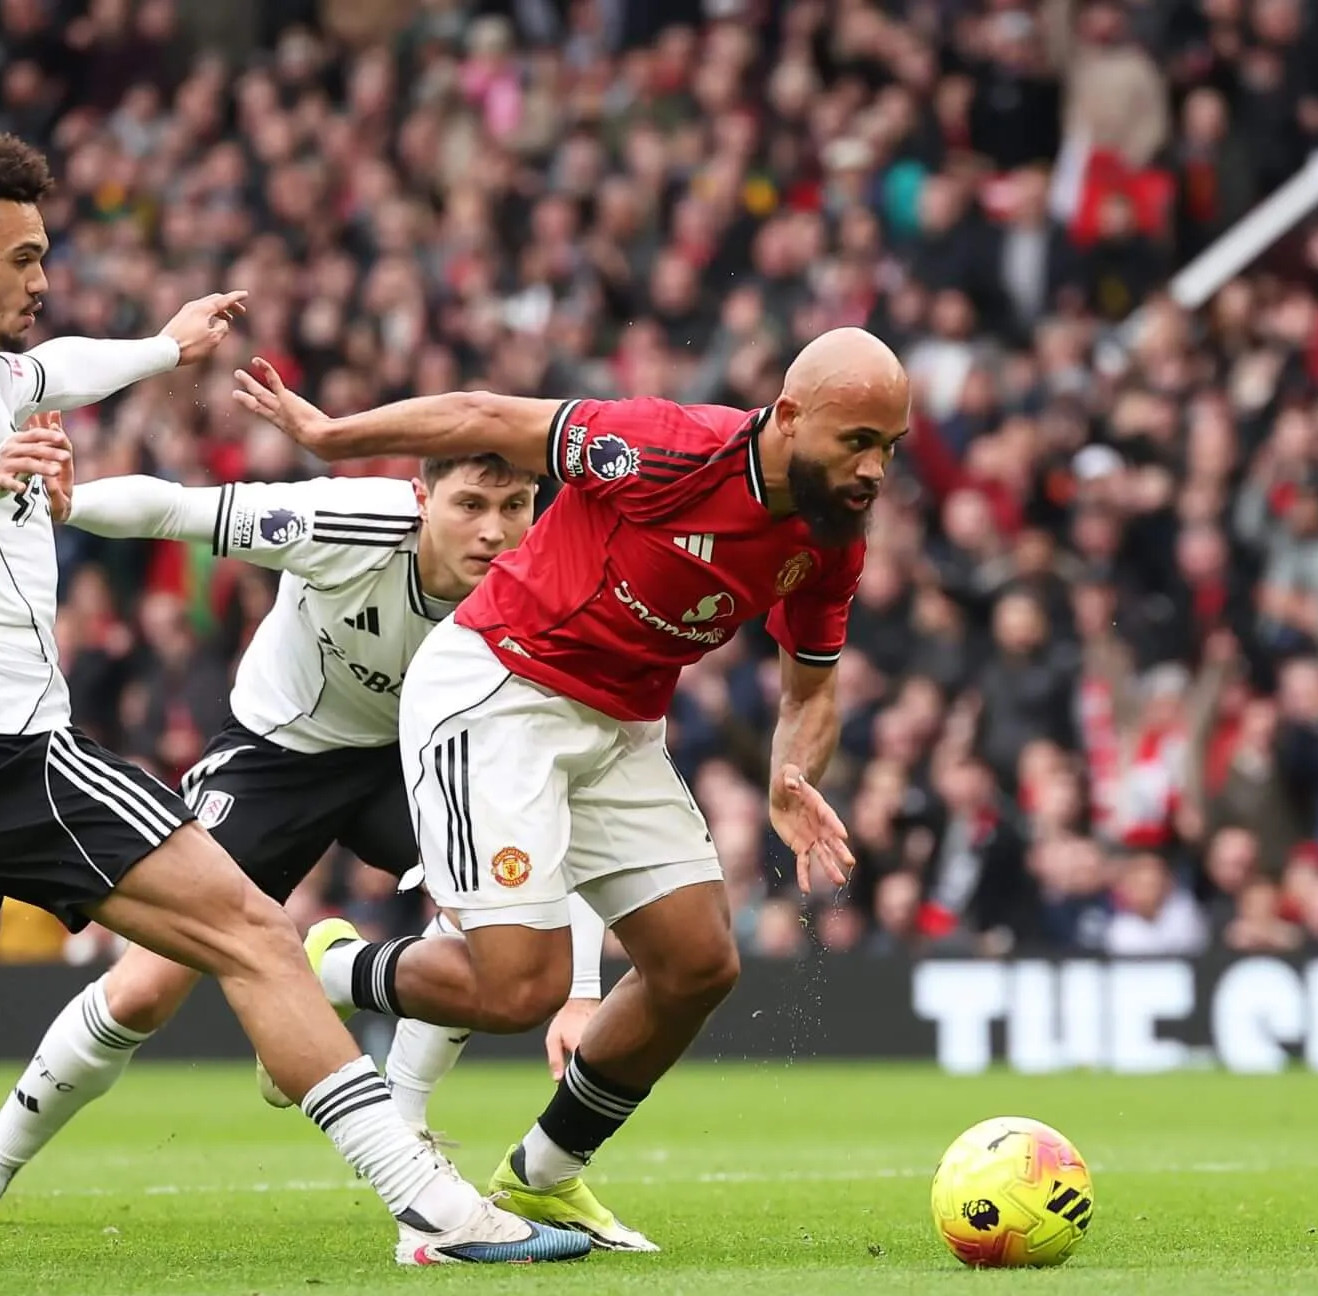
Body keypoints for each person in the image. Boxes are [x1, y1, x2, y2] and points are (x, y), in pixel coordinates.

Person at [0, 125, 588, 1268]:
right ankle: (437, 1207)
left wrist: (166, 346)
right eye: (23, 259)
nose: (41, 280)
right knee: (254, 933)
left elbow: (62, 369)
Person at [231, 326, 905, 1239]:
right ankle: (332, 970)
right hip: (500, 692)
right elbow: (484, 415)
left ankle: (543, 1177)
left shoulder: (832, 535)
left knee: (698, 965)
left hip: (618, 728)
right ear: (789, 416)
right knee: (519, 991)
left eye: (889, 447)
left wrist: (791, 775)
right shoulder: (670, 448)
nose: (873, 470)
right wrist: (331, 435)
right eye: (857, 441)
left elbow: (811, 689)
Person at [0, 455, 635, 1241]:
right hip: (278, 755)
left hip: (418, 762)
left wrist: (579, 991)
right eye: (470, 504)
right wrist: (73, 503)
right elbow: (177, 510)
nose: (495, 530)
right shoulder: (350, 524)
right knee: (145, 989)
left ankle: (405, 1128)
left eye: (515, 505)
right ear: (421, 499)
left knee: (496, 923)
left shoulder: (551, 585)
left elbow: (559, 807)